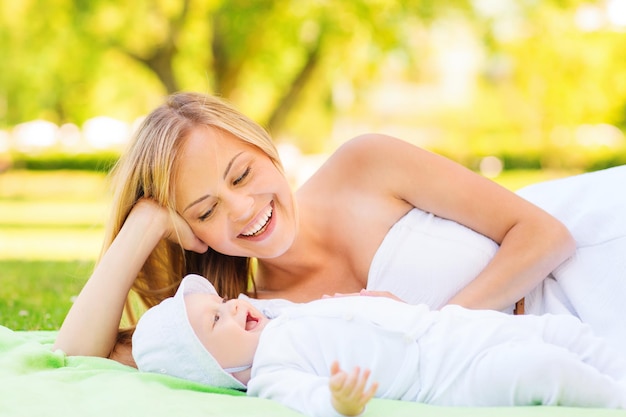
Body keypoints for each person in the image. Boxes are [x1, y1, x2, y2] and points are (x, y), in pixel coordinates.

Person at [53, 91, 626, 367]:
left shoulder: (364, 166)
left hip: (595, 254)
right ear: (192, 232)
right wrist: (146, 220)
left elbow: (545, 235)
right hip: (570, 348)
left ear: (264, 147)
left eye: (243, 173)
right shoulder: (246, 320)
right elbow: (80, 352)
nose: (243, 209)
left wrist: (427, 324)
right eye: (205, 211)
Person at [132, 274, 626, 417]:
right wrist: (337, 400)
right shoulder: (270, 372)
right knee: (542, 368)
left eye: (222, 299)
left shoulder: (283, 316)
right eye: (217, 317)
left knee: (562, 332)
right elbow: (303, 399)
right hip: (448, 379)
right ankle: (614, 401)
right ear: (214, 369)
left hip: (455, 329)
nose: (234, 302)